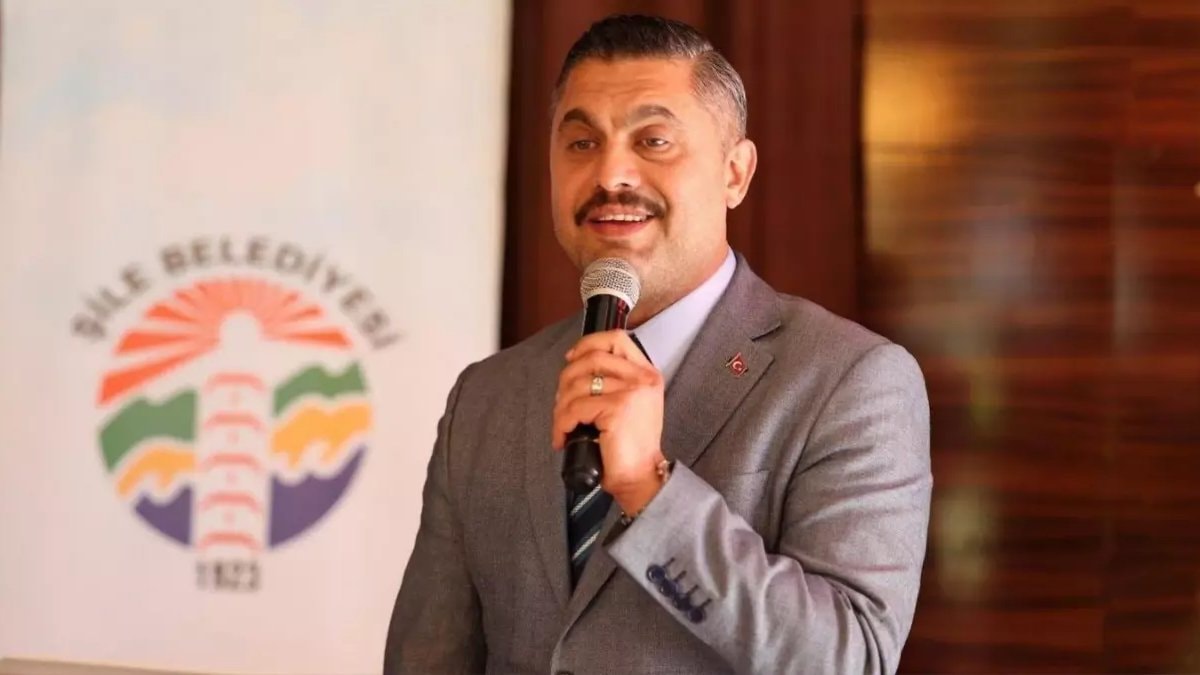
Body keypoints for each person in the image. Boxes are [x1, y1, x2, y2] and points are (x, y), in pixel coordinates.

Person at [384, 14, 930, 675]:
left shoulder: (850, 380)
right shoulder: (487, 396)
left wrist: (651, 487)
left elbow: (852, 658)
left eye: (653, 140)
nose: (611, 173)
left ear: (735, 173)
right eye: (581, 142)